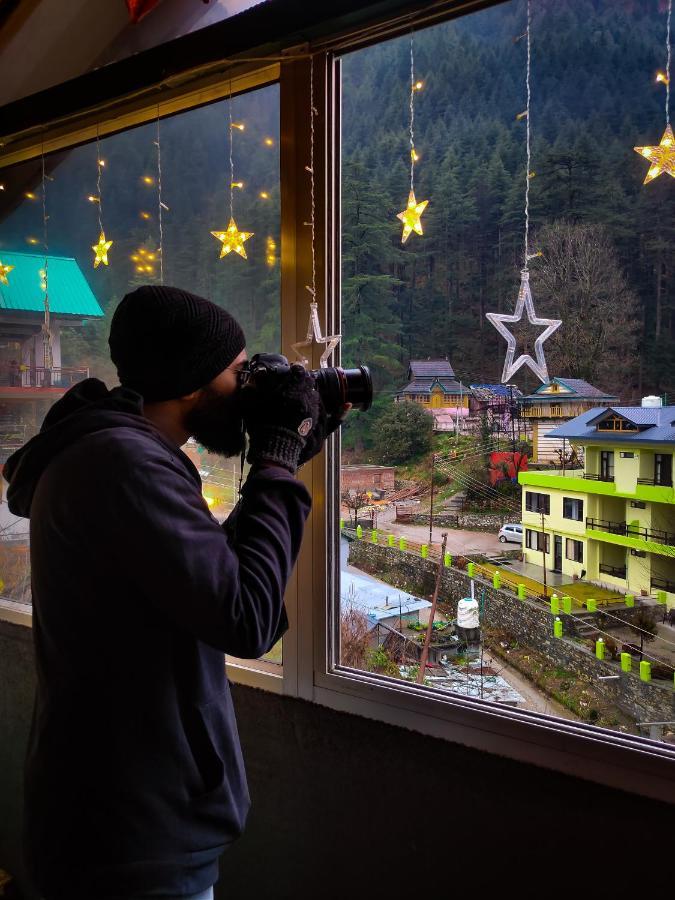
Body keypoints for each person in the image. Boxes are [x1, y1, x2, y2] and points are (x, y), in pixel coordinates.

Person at [4, 285, 348, 900]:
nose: (249, 389)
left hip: (117, 816)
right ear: (190, 382)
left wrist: (284, 459)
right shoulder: (125, 466)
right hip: (132, 835)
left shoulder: (113, 455)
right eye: (240, 374)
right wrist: (274, 464)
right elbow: (247, 617)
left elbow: (212, 575)